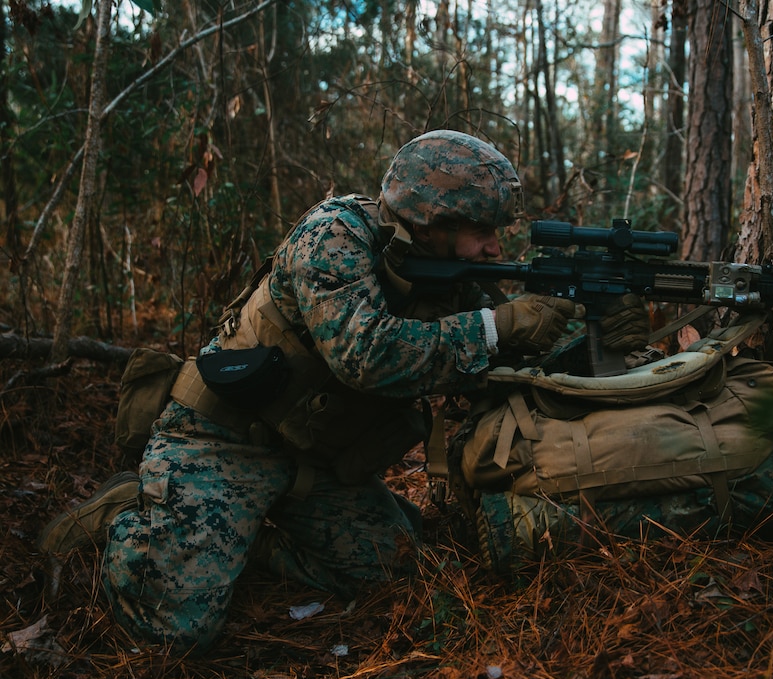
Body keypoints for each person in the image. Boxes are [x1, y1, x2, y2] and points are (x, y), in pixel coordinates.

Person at [36, 130, 650, 652]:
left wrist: (588, 340)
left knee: (409, 580)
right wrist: (502, 323)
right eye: (484, 229)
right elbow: (367, 354)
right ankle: (130, 512)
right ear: (432, 219)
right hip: (223, 440)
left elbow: (491, 374)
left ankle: (248, 537)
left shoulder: (453, 278)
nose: (495, 247)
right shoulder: (335, 235)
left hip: (315, 464)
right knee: (172, 629)